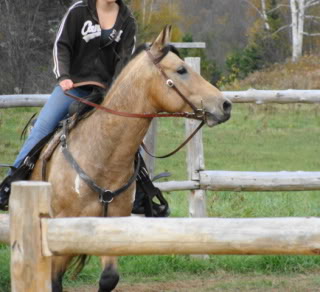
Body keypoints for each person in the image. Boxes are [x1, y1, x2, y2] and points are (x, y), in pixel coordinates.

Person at [0, 0, 169, 216]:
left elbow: (124, 61)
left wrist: (115, 91)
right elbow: (61, 45)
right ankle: (10, 184)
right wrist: (63, 76)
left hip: (106, 93)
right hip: (73, 87)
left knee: (125, 137)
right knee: (43, 127)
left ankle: (143, 194)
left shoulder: (127, 20)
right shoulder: (79, 10)